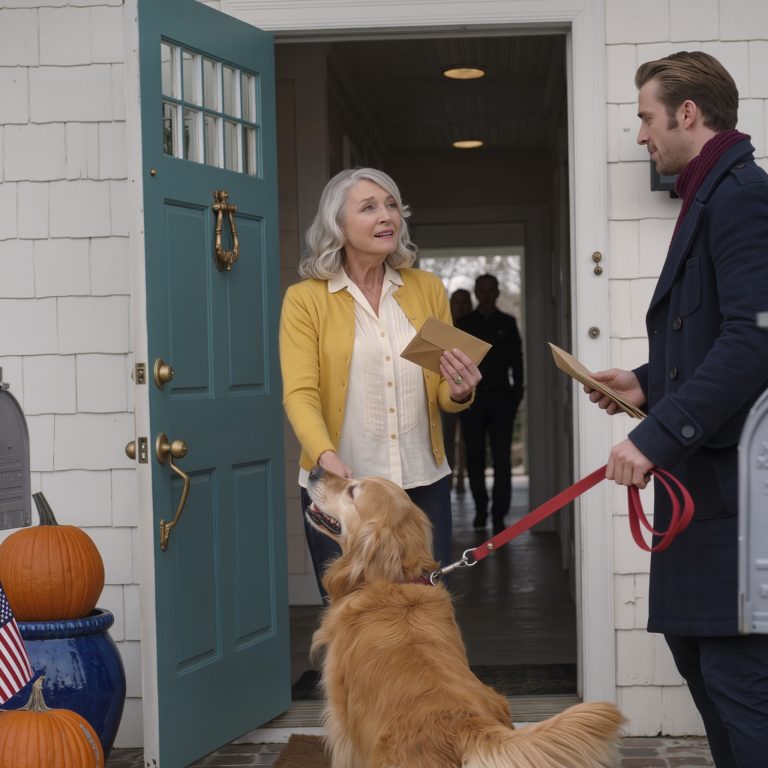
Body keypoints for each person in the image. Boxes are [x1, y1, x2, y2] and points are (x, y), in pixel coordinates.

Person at [584, 52, 768, 768]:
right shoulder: (708, 194)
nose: (640, 136)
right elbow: (710, 337)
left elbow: (754, 343)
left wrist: (656, 434)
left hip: (736, 499)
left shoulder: (742, 196)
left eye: (645, 118)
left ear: (688, 114)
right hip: (700, 493)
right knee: (702, 665)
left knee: (735, 677)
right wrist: (642, 383)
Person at [279, 168, 482, 599]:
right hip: (343, 493)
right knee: (352, 616)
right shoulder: (306, 299)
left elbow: (443, 389)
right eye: (369, 207)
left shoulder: (426, 288)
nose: (386, 215)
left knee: (423, 608)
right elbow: (300, 393)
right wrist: (325, 456)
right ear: (338, 224)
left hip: (421, 483)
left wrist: (460, 391)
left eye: (391, 205)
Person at [457, 274, 524, 535]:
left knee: (502, 459)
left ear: (497, 293)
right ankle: (481, 509)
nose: (485, 294)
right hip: (472, 400)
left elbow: (517, 362)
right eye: (481, 290)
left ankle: (499, 514)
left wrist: (516, 395)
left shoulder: (507, 323)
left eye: (490, 290)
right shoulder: (464, 323)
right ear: (476, 292)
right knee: (474, 457)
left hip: (501, 400)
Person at [442, 288, 473, 493]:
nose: (460, 307)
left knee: (466, 441)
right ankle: (449, 478)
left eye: (465, 302)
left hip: (473, 392)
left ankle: (462, 477)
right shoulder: (445, 328)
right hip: (447, 392)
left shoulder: (474, 326)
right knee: (447, 438)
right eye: (457, 302)